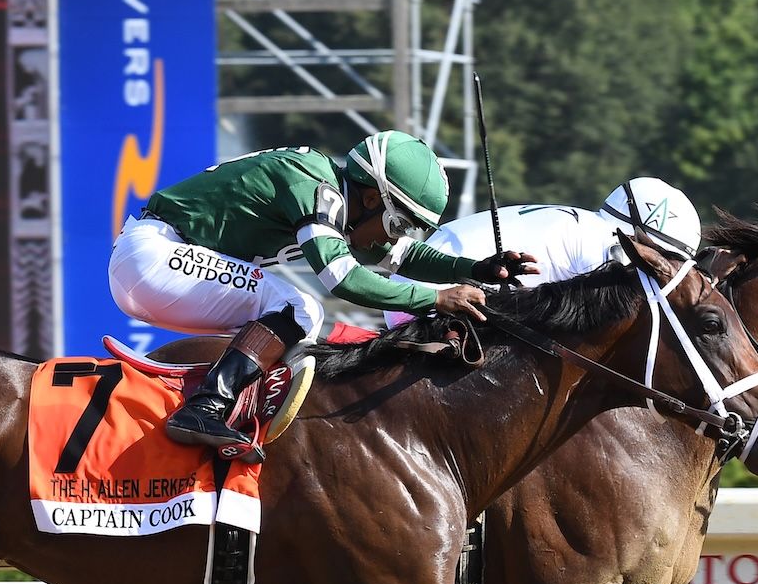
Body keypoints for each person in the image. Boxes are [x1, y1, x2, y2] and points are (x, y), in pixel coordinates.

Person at [108, 130, 535, 451]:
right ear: (372, 199)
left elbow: (404, 257)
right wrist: (436, 298)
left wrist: (476, 268)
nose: (392, 237)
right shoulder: (314, 186)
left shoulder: (337, 197)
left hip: (159, 261)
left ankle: (232, 408)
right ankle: (205, 407)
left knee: (292, 326)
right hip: (154, 255)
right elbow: (344, 279)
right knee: (300, 309)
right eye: (397, 223)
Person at [383, 176, 702, 329]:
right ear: (639, 236)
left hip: (422, 283)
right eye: (662, 258)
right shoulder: (603, 246)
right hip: (429, 300)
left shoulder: (587, 225)